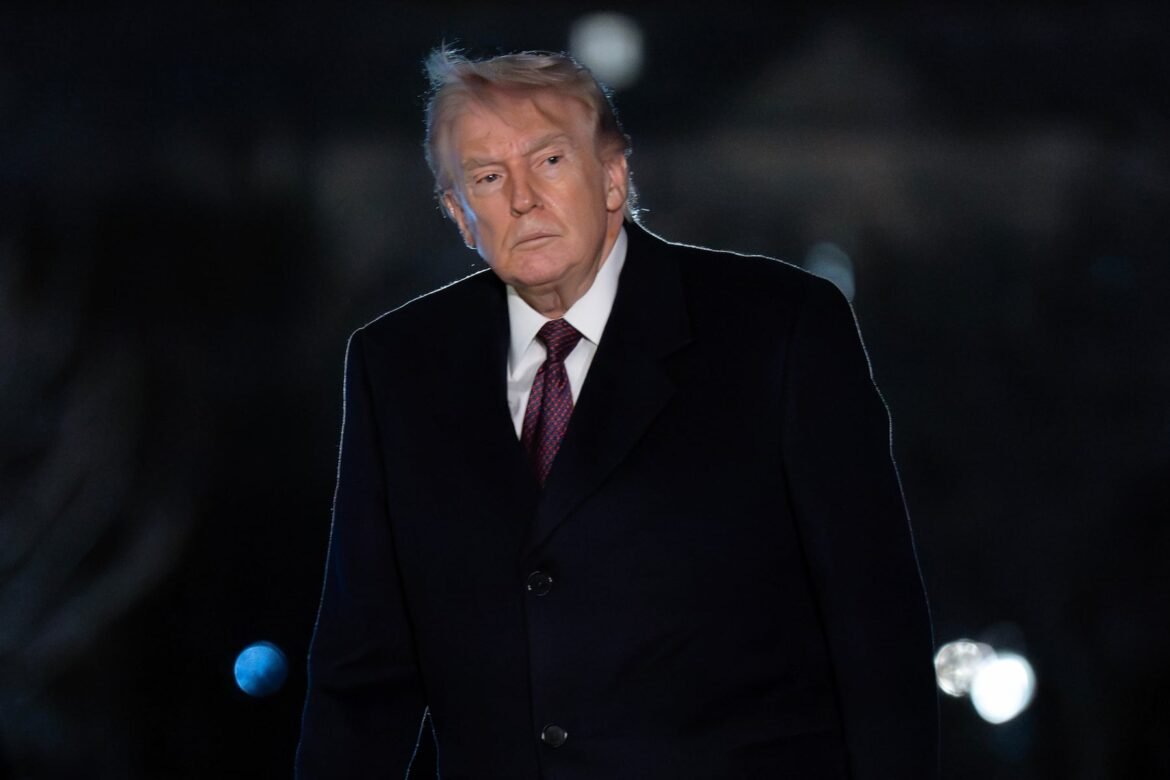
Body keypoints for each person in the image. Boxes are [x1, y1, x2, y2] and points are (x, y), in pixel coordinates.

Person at [296, 47, 938, 779]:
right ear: (457, 213)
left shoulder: (778, 331)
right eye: (487, 177)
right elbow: (362, 672)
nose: (523, 200)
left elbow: (874, 627)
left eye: (549, 162)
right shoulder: (398, 367)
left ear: (612, 175)